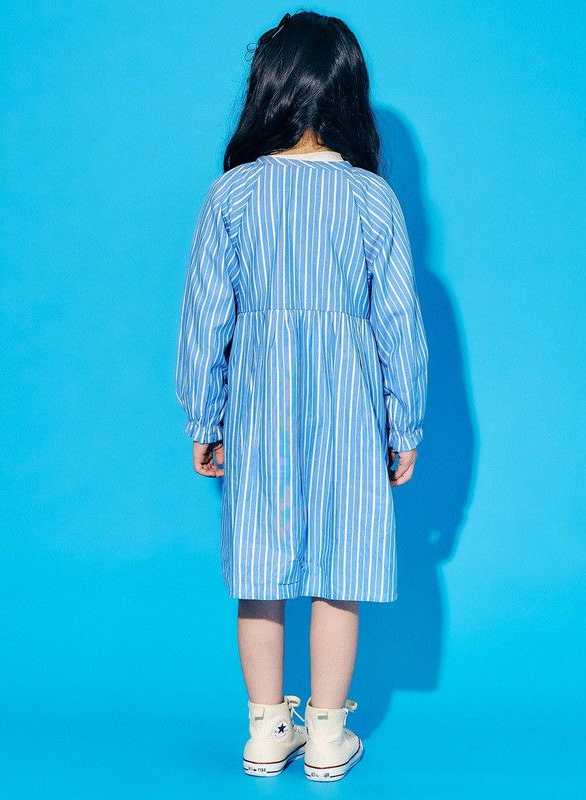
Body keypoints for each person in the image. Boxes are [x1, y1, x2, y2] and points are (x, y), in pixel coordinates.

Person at [175, 10, 428, 782]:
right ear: (348, 94)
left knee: (261, 574)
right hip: (350, 412)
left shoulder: (232, 196)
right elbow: (399, 325)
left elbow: (205, 319)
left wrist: (205, 415)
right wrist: (404, 424)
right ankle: (324, 734)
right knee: (339, 572)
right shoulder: (372, 200)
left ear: (268, 90)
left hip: (258, 410)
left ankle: (264, 730)